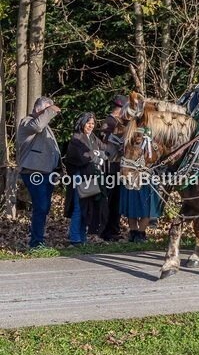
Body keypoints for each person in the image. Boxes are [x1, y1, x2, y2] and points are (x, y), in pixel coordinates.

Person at [15, 97, 62, 248]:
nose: (51, 113)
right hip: (33, 171)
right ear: (38, 109)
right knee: (41, 206)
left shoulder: (44, 124)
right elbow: (37, 126)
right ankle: (36, 243)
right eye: (47, 110)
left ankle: (38, 239)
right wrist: (50, 110)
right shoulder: (27, 122)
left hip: (47, 172)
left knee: (44, 206)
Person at [64, 112, 107, 244]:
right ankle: (75, 238)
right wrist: (95, 155)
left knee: (86, 208)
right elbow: (82, 158)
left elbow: (106, 152)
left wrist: (96, 154)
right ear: (82, 123)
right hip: (80, 177)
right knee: (78, 207)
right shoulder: (76, 138)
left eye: (93, 123)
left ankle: (82, 238)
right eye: (88, 123)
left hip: (90, 176)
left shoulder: (92, 137)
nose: (91, 126)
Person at [98, 95, 129, 241]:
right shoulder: (110, 122)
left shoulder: (118, 121)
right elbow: (108, 141)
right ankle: (107, 231)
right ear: (121, 108)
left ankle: (113, 229)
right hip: (110, 165)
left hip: (117, 164)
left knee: (116, 200)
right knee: (110, 200)